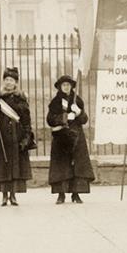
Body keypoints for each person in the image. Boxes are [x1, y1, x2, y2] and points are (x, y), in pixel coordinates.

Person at [0, 66, 34, 206]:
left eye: (11, 80)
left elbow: (26, 120)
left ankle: (13, 195)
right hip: (0, 137)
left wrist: (26, 137)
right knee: (2, 166)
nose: (8, 83)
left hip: (16, 136)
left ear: (16, 82)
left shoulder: (21, 98)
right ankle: (4, 195)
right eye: (6, 80)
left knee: (14, 166)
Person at [46, 74, 94, 204]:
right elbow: (50, 119)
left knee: (76, 165)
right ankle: (61, 194)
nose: (66, 87)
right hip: (61, 137)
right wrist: (64, 117)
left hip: (76, 135)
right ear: (60, 87)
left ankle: (76, 194)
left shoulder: (77, 100)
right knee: (61, 165)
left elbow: (84, 120)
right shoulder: (55, 102)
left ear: (72, 86)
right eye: (64, 85)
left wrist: (78, 112)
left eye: (68, 85)